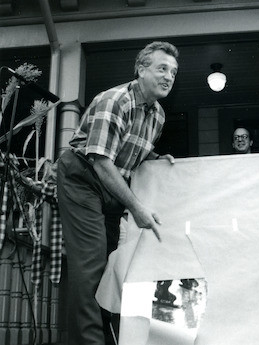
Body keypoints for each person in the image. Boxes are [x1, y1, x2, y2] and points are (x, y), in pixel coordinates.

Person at [57, 41, 178, 345]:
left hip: (110, 189)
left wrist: (153, 159)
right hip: (83, 177)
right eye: (162, 68)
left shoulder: (158, 116)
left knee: (111, 267)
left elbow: (127, 150)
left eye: (173, 72)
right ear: (141, 69)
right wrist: (137, 208)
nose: (168, 77)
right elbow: (101, 160)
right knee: (91, 266)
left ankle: (103, 337)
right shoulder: (116, 101)